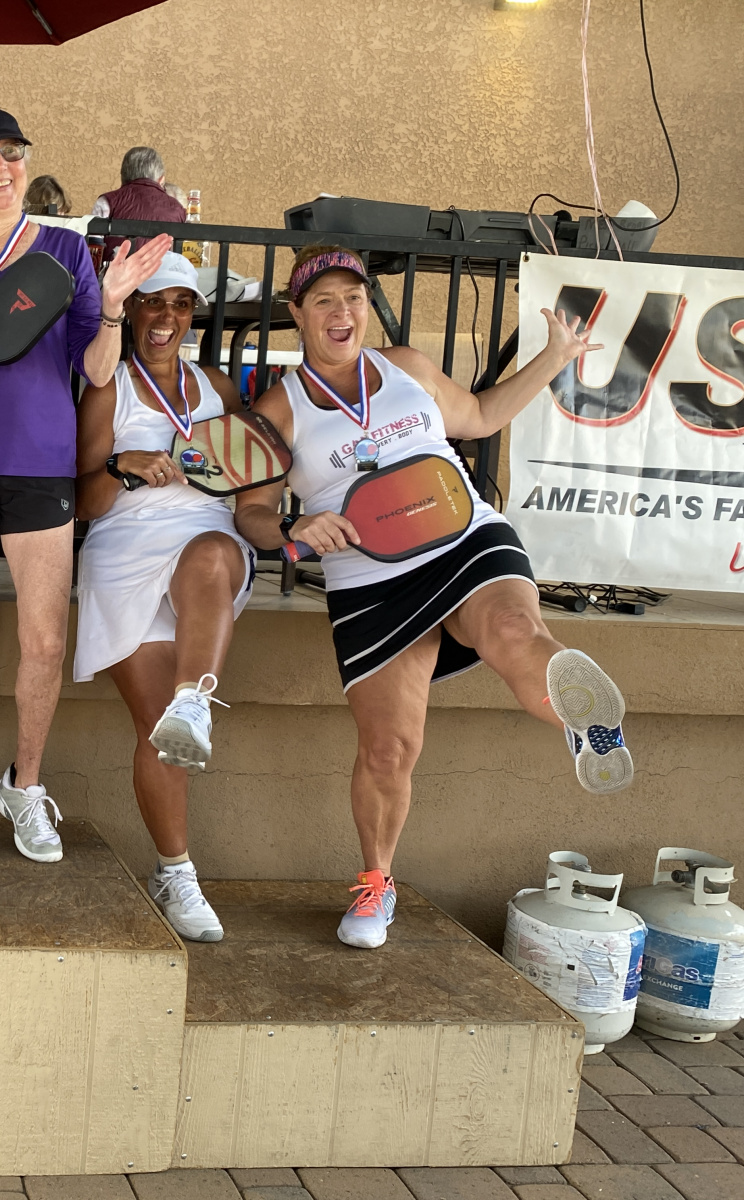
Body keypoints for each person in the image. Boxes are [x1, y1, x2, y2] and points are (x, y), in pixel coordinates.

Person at [234, 246, 634, 950]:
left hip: (463, 535)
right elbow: (251, 515)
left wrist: (554, 357)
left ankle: (583, 719)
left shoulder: (407, 367)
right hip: (370, 579)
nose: (342, 312)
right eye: (324, 300)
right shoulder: (277, 411)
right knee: (389, 750)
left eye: (353, 298)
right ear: (297, 313)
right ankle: (377, 882)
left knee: (512, 629)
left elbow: (477, 415)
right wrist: (295, 526)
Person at [0, 108, 171, 863]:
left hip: (40, 464)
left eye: (13, 153)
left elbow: (96, 368)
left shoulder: (64, 250)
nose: (2, 168)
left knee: (44, 639)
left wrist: (114, 305)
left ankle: (24, 786)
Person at [73, 252, 255, 941]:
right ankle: (175, 872)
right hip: (125, 549)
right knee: (160, 732)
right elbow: (84, 501)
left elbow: (253, 471)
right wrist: (122, 468)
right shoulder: (108, 387)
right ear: (131, 308)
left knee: (208, 554)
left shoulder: (217, 387)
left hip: (205, 540)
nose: (167, 316)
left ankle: (196, 700)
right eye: (153, 301)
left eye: (181, 304)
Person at [91, 147, 187, 222]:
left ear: (122, 175)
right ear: (161, 180)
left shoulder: (106, 202)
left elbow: (92, 240)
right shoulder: (178, 208)